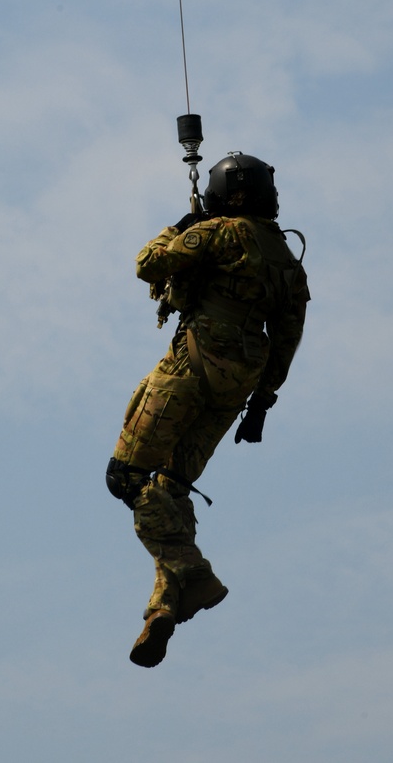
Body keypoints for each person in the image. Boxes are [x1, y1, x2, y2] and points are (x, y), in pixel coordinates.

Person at [106, 151, 310, 667]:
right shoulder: (288, 262)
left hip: (190, 370)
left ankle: (192, 572)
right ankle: (165, 608)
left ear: (232, 195)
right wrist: (261, 402)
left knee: (126, 478)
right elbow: (288, 339)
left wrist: (182, 224)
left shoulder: (219, 233)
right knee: (169, 491)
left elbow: (147, 264)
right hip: (236, 385)